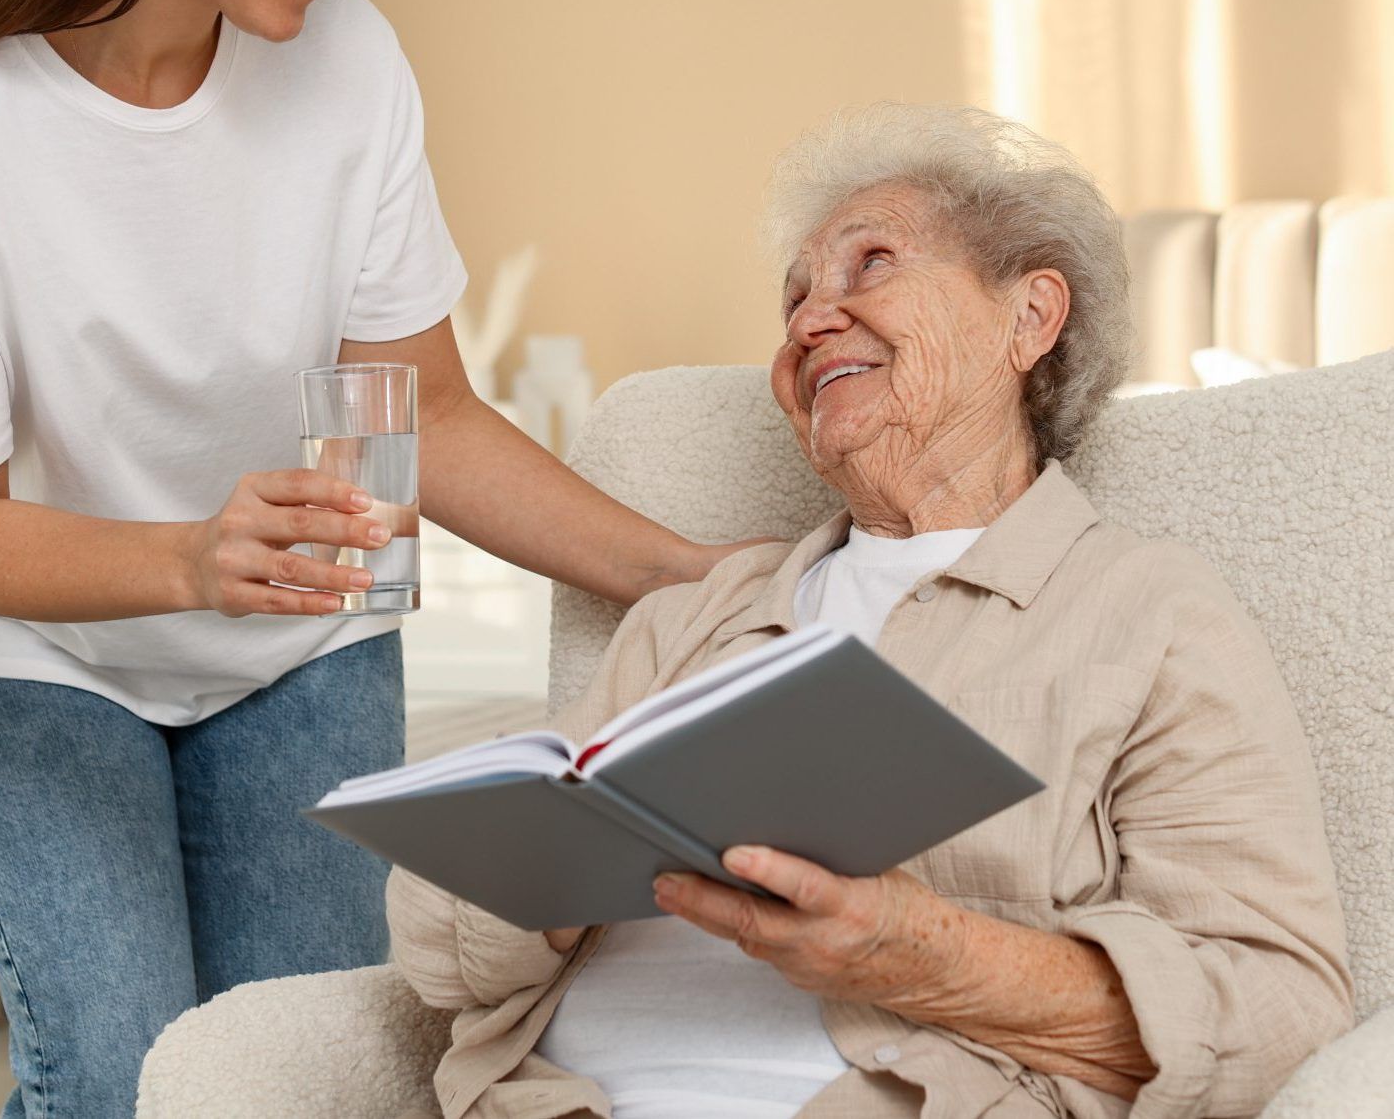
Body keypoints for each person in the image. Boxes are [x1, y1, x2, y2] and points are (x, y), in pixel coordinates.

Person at [0, 0, 740, 1119]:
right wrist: (193, 555)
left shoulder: (350, 61)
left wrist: (686, 571)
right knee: (119, 1079)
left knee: (304, 1076)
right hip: (34, 651)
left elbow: (425, 413)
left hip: (295, 650)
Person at [388, 102, 1353, 1119]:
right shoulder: (700, 617)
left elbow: (1276, 1006)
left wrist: (924, 956)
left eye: (870, 266)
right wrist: (554, 877)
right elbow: (439, 956)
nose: (808, 322)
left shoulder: (1144, 613)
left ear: (1029, 317)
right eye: (793, 299)